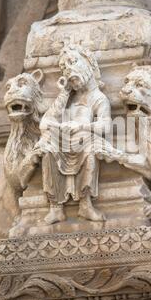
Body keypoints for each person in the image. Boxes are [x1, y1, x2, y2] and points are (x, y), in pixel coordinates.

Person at [37, 45, 112, 224]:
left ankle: (85, 204)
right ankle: (56, 207)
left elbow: (105, 125)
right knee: (48, 149)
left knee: (90, 149)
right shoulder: (68, 96)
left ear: (88, 63)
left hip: (84, 140)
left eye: (73, 62)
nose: (68, 69)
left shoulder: (98, 98)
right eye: (64, 67)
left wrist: (80, 125)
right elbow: (48, 120)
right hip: (64, 141)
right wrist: (64, 93)